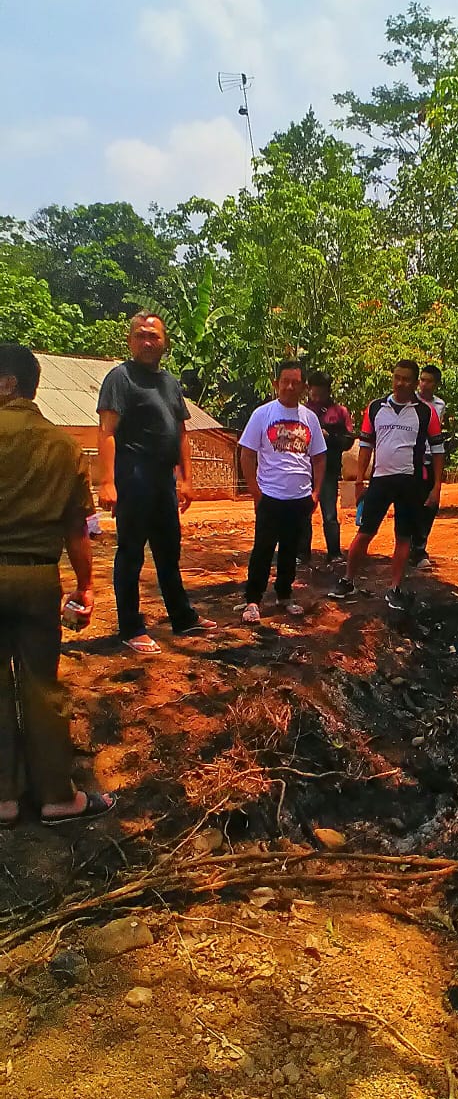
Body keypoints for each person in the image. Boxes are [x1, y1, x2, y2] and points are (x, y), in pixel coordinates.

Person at [0, 343, 115, 825]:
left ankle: (4, 799)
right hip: (37, 578)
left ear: (6, 383)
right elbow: (76, 529)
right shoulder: (63, 446)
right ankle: (55, 797)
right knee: (42, 685)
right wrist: (85, 586)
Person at [97, 312, 216, 655]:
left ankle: (183, 617)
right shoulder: (120, 378)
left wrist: (186, 479)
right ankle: (131, 628)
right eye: (140, 335)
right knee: (131, 553)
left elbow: (181, 433)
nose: (147, 342)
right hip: (134, 476)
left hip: (164, 480)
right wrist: (107, 482)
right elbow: (106, 432)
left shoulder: (170, 383)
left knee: (168, 552)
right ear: (130, 341)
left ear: (165, 343)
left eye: (154, 336)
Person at [329, 359, 444, 611]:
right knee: (365, 532)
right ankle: (348, 580)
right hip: (380, 481)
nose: (400, 383)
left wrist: (436, 487)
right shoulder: (375, 408)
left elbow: (437, 450)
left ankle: (394, 588)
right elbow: (365, 445)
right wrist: (359, 480)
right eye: (397, 377)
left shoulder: (426, 412)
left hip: (411, 482)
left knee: (403, 536)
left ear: (414, 383)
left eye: (406, 379)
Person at [239, 359, 326, 624]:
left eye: (295, 383)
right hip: (270, 496)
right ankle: (253, 600)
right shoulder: (262, 414)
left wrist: (316, 493)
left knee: (290, 550)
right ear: (276, 383)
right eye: (285, 382)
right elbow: (247, 454)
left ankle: (284, 596)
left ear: (303, 387)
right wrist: (256, 493)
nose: (289, 387)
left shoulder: (309, 418)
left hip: (300, 498)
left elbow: (319, 457)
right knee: (263, 550)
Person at [298, 371, 355, 566]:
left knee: (329, 513)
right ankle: (302, 554)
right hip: (304, 470)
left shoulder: (340, 412)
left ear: (328, 391)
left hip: (329, 470)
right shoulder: (301, 412)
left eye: (320, 394)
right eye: (314, 394)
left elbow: (348, 441)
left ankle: (334, 553)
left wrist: (329, 437)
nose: (316, 398)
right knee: (303, 512)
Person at [410, 363, 446, 570]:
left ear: (436, 384)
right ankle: (410, 547)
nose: (424, 384)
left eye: (429, 381)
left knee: (430, 504)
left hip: (431, 458)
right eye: (422, 380)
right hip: (411, 458)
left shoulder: (439, 405)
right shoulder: (410, 401)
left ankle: (419, 547)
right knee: (411, 503)